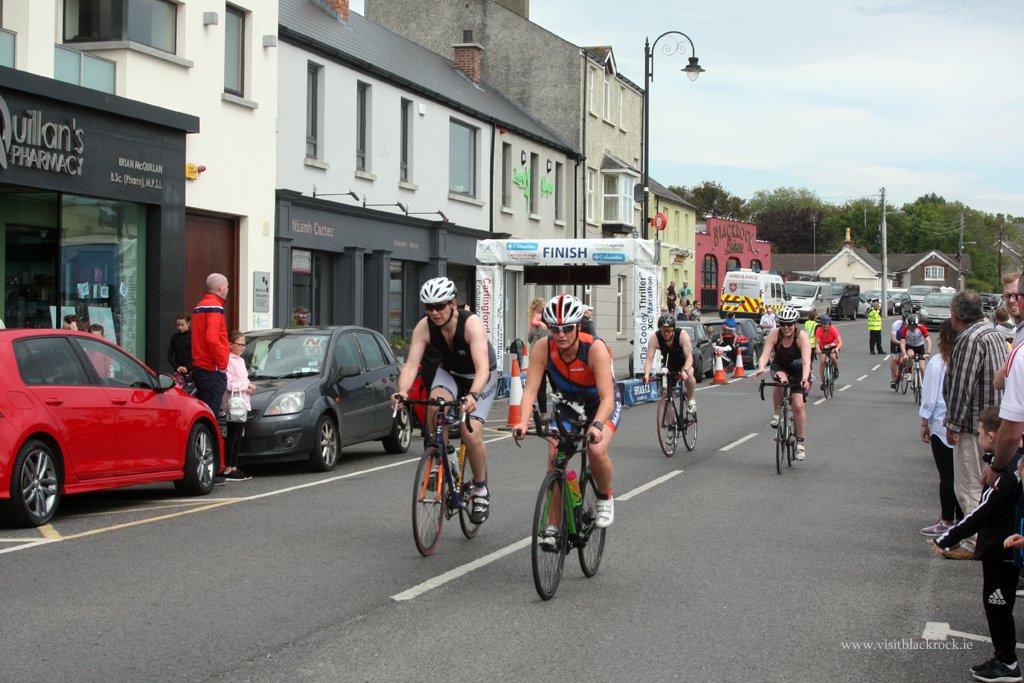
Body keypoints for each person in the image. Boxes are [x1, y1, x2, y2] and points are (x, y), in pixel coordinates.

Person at [392, 277, 498, 524]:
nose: (434, 312)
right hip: (450, 373)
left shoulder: (471, 324)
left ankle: (481, 490)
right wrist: (402, 391)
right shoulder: (424, 327)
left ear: (453, 304)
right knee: (435, 405)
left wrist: (472, 395)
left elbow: (483, 369)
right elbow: (410, 364)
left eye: (439, 306)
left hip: (481, 377)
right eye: (429, 308)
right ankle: (442, 456)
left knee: (469, 431)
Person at [513, 294, 620, 529]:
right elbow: (530, 391)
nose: (561, 334)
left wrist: (597, 425)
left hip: (598, 405)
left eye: (568, 328)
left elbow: (607, 398)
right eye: (555, 328)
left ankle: (604, 497)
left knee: (596, 448)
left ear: (578, 326)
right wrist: (521, 422)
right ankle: (554, 525)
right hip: (567, 404)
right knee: (554, 458)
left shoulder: (594, 348)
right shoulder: (543, 348)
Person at [933, 407, 1022, 683]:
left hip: (1002, 551)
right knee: (998, 605)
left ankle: (1007, 663)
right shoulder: (1008, 465)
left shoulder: (1004, 474)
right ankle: (1003, 657)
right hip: (1004, 548)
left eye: (981, 433)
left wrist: (947, 537)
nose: (978, 437)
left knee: (997, 606)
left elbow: (980, 513)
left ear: (993, 436)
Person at [944, 290, 1009, 559]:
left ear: (955, 315)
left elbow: (961, 386)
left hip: (974, 425)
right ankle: (988, 538)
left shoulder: (969, 339)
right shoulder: (993, 333)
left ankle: (972, 542)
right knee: (988, 484)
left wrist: (952, 424)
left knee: (969, 485)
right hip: (996, 421)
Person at [919, 320, 963, 537]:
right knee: (962, 475)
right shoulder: (964, 361)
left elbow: (930, 397)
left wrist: (924, 422)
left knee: (946, 475)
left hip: (941, 424)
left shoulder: (938, 362)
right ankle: (962, 518)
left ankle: (947, 519)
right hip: (962, 424)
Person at [753, 306, 812, 460]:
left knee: (798, 405)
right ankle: (777, 414)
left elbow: (806, 362)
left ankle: (800, 443)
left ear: (796, 323)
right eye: (783, 324)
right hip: (781, 367)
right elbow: (765, 355)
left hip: (800, 370)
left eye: (789, 324)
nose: (786, 328)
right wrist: (761, 367)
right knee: (781, 381)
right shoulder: (774, 335)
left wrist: (805, 379)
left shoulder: (801, 337)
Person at [191, 273, 231, 418]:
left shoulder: (200, 306)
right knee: (211, 417)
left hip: (200, 367)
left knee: (203, 414)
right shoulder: (215, 307)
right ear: (220, 287)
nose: (227, 290)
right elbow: (212, 339)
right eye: (227, 287)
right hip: (211, 369)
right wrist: (222, 364)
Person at [642, 313, 696, 416]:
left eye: (669, 330)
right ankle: (671, 425)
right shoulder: (655, 338)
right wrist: (646, 374)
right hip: (669, 363)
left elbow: (689, 357)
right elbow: (649, 359)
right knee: (666, 395)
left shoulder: (682, 335)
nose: (666, 333)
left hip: (684, 362)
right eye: (663, 330)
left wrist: (684, 371)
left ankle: (691, 399)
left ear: (673, 329)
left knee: (689, 375)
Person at [221, 330, 254, 482]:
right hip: (233, 403)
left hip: (243, 402)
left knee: (238, 435)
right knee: (232, 435)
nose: (242, 347)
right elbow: (229, 384)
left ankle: (234, 466)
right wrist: (246, 385)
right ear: (230, 344)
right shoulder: (227, 360)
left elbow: (242, 380)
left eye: (244, 345)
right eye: (239, 344)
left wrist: (247, 387)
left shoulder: (240, 360)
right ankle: (228, 467)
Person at [526, 297, 548, 413]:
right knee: (555, 386)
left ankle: (544, 413)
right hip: (548, 357)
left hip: (538, 358)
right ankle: (554, 412)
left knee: (541, 387)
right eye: (543, 305)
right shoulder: (542, 320)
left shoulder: (537, 321)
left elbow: (529, 338)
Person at [898, 313, 931, 378]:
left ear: (916, 325)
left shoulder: (922, 328)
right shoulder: (904, 329)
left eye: (913, 326)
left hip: (920, 346)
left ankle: (923, 383)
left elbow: (928, 341)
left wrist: (928, 352)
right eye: (910, 326)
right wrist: (905, 355)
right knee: (910, 356)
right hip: (910, 346)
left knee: (922, 367)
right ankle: (909, 372)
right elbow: (902, 344)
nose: (912, 328)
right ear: (907, 325)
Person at [814, 314, 843, 388]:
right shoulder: (819, 330)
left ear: (829, 324)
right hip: (823, 346)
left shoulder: (833, 329)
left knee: (833, 357)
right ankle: (823, 382)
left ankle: (836, 369)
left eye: (826, 324)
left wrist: (836, 348)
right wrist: (818, 349)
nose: (825, 326)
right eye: (823, 324)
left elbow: (840, 342)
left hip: (833, 345)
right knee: (822, 362)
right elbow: (817, 343)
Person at [167, 312, 193, 377]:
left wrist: (188, 367)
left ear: (188, 323)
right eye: (178, 325)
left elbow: (198, 356)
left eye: (182, 325)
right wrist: (177, 367)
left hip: (192, 370)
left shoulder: (193, 336)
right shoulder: (174, 337)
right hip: (178, 371)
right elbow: (170, 356)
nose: (180, 327)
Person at [890, 307, 908, 389]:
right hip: (896, 342)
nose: (906, 325)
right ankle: (893, 379)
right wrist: (901, 343)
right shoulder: (896, 324)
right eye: (905, 323)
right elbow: (893, 339)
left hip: (906, 342)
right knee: (894, 359)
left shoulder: (912, 325)